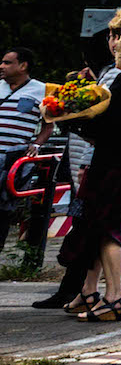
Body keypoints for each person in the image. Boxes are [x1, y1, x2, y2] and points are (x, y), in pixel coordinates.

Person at [35, 12, 121, 313]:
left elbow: (111, 128)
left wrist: (71, 121)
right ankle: (89, 291)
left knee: (107, 227)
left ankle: (113, 297)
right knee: (100, 224)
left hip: (116, 165)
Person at [0, 46, 51, 252]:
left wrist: (37, 144)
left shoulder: (41, 90)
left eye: (7, 62)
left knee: (4, 205)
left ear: (23, 66)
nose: (2, 66)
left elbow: (49, 124)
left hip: (14, 155)